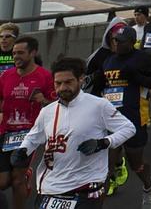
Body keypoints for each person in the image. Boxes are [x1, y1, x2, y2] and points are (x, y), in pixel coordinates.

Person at [12, 57, 136, 209]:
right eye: (58, 83)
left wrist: (103, 143)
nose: (62, 87)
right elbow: (33, 138)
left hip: (87, 185)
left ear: (81, 79)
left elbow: (128, 128)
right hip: (51, 187)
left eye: (68, 82)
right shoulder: (47, 111)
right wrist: (23, 150)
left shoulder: (99, 105)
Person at [89, 25, 151, 207]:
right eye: (115, 40)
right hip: (110, 119)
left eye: (121, 42)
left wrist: (137, 77)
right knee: (104, 168)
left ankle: (148, 185)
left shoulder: (143, 59)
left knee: (135, 163)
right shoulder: (108, 60)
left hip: (134, 117)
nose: (117, 44)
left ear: (132, 42)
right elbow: (99, 90)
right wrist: (98, 84)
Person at [0, 35, 55, 209]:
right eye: (14, 53)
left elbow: (57, 104)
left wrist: (43, 100)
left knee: (17, 181)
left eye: (21, 53)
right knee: (3, 182)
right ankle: (26, 178)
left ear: (33, 53)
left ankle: (22, 182)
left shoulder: (45, 76)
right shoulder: (6, 76)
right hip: (6, 133)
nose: (16, 56)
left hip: (30, 134)